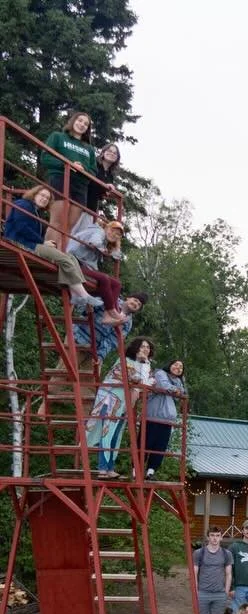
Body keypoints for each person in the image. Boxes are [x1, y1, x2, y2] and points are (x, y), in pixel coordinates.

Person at [2, 184, 113, 318]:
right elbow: (22, 227)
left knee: (70, 258)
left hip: (30, 243)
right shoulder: (24, 204)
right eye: (42, 195)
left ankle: (76, 295)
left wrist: (42, 242)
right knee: (64, 258)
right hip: (20, 243)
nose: (44, 199)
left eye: (47, 198)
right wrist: (43, 242)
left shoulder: (35, 210)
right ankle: (83, 294)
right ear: (34, 194)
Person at [85, 336, 153, 479]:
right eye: (142, 346)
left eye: (148, 347)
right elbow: (138, 379)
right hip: (111, 399)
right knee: (107, 432)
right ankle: (102, 468)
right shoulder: (125, 360)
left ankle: (110, 467)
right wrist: (144, 375)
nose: (145, 349)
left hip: (124, 404)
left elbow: (146, 382)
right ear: (135, 348)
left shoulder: (145, 365)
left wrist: (145, 365)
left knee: (116, 435)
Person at [40, 111, 96, 247]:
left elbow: (93, 171)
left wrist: (83, 170)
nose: (82, 125)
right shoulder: (58, 137)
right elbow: (45, 157)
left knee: (69, 226)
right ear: (73, 121)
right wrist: (67, 164)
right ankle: (48, 253)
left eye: (86, 124)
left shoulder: (89, 149)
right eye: (80, 120)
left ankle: (59, 255)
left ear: (87, 129)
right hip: (60, 179)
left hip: (80, 186)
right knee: (57, 221)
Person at [138, 357, 187, 479]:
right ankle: (136, 470)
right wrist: (175, 390)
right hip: (153, 416)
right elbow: (164, 385)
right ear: (170, 365)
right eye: (176, 364)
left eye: (181, 367)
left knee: (160, 447)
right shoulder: (160, 373)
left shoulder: (178, 381)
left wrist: (177, 389)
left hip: (167, 419)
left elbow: (182, 392)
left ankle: (151, 471)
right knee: (146, 443)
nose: (178, 368)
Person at [192, 527, 234, 614]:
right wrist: (195, 591)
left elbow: (229, 574)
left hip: (219, 593)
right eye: (212, 535)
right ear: (208, 537)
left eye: (217, 535)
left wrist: (226, 591)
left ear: (221, 537)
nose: (215, 538)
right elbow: (193, 573)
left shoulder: (226, 553)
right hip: (202, 592)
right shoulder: (199, 553)